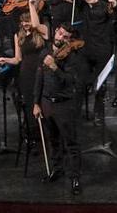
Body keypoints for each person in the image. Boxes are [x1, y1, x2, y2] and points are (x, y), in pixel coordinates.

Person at [33, 24, 88, 195]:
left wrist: (55, 67)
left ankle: (75, 177)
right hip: (47, 103)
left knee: (71, 143)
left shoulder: (73, 57)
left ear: (69, 40)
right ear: (55, 32)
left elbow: (70, 81)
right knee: (53, 140)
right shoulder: (45, 51)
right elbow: (39, 79)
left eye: (65, 37)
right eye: (59, 33)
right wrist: (36, 103)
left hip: (64, 104)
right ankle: (57, 169)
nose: (61, 37)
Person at [0, 0, 48, 148]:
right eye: (23, 21)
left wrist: (31, 5)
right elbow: (17, 59)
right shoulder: (18, 35)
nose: (25, 24)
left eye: (28, 20)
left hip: (42, 71)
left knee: (43, 102)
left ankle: (47, 135)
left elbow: (36, 25)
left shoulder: (42, 30)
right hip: (26, 74)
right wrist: (5, 59)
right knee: (31, 104)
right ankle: (34, 137)